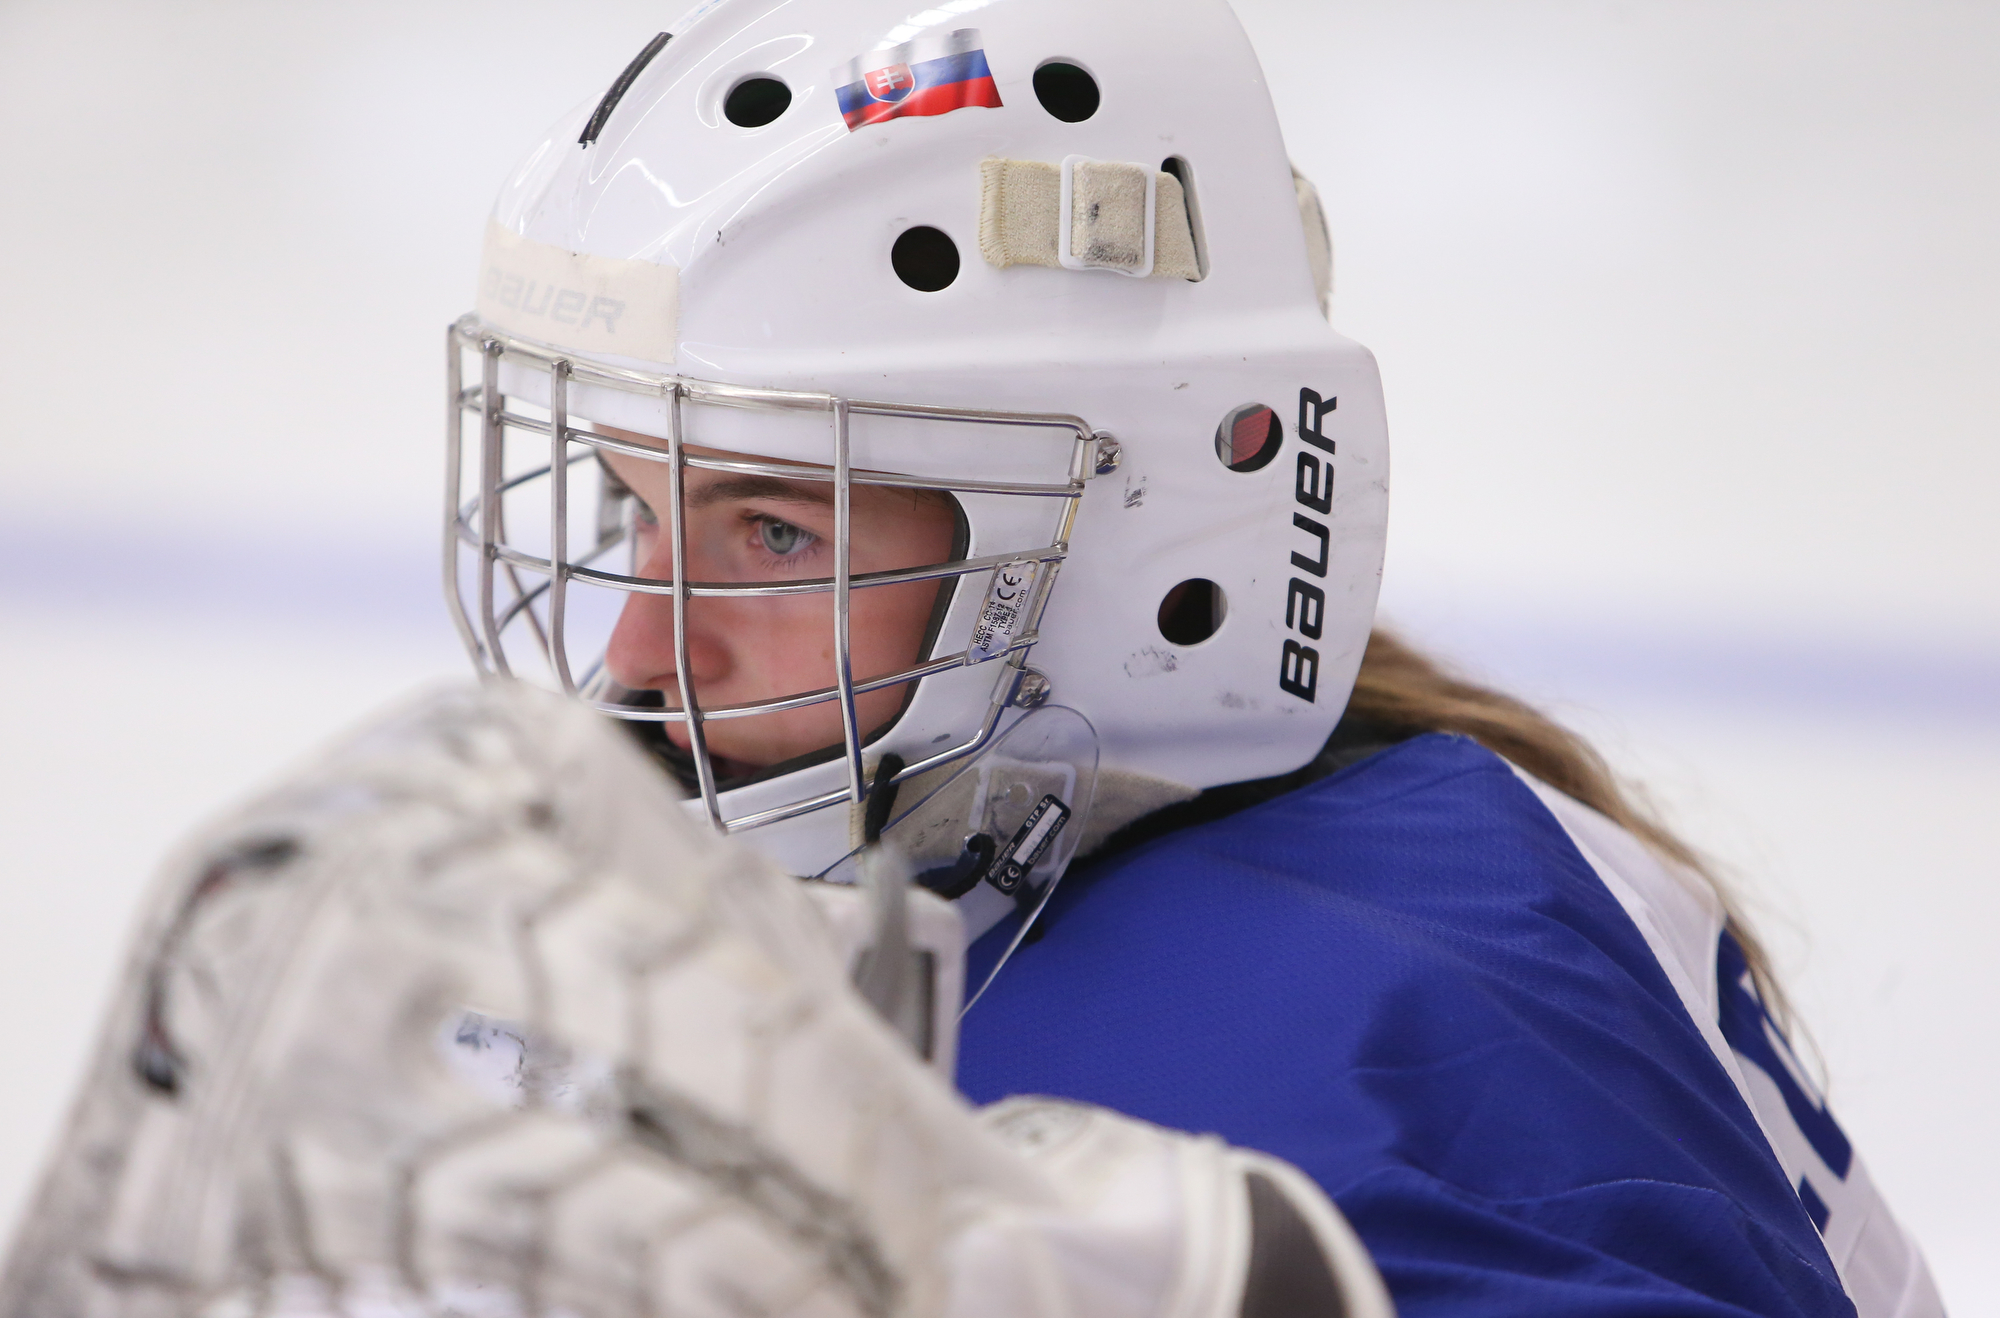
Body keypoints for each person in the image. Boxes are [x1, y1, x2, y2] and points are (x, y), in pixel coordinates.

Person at [0, 0, 1938, 1314]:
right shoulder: (1279, 834)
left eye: (772, 524)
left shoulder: (1363, 1037)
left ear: (1141, 527)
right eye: (629, 513)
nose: (635, 655)